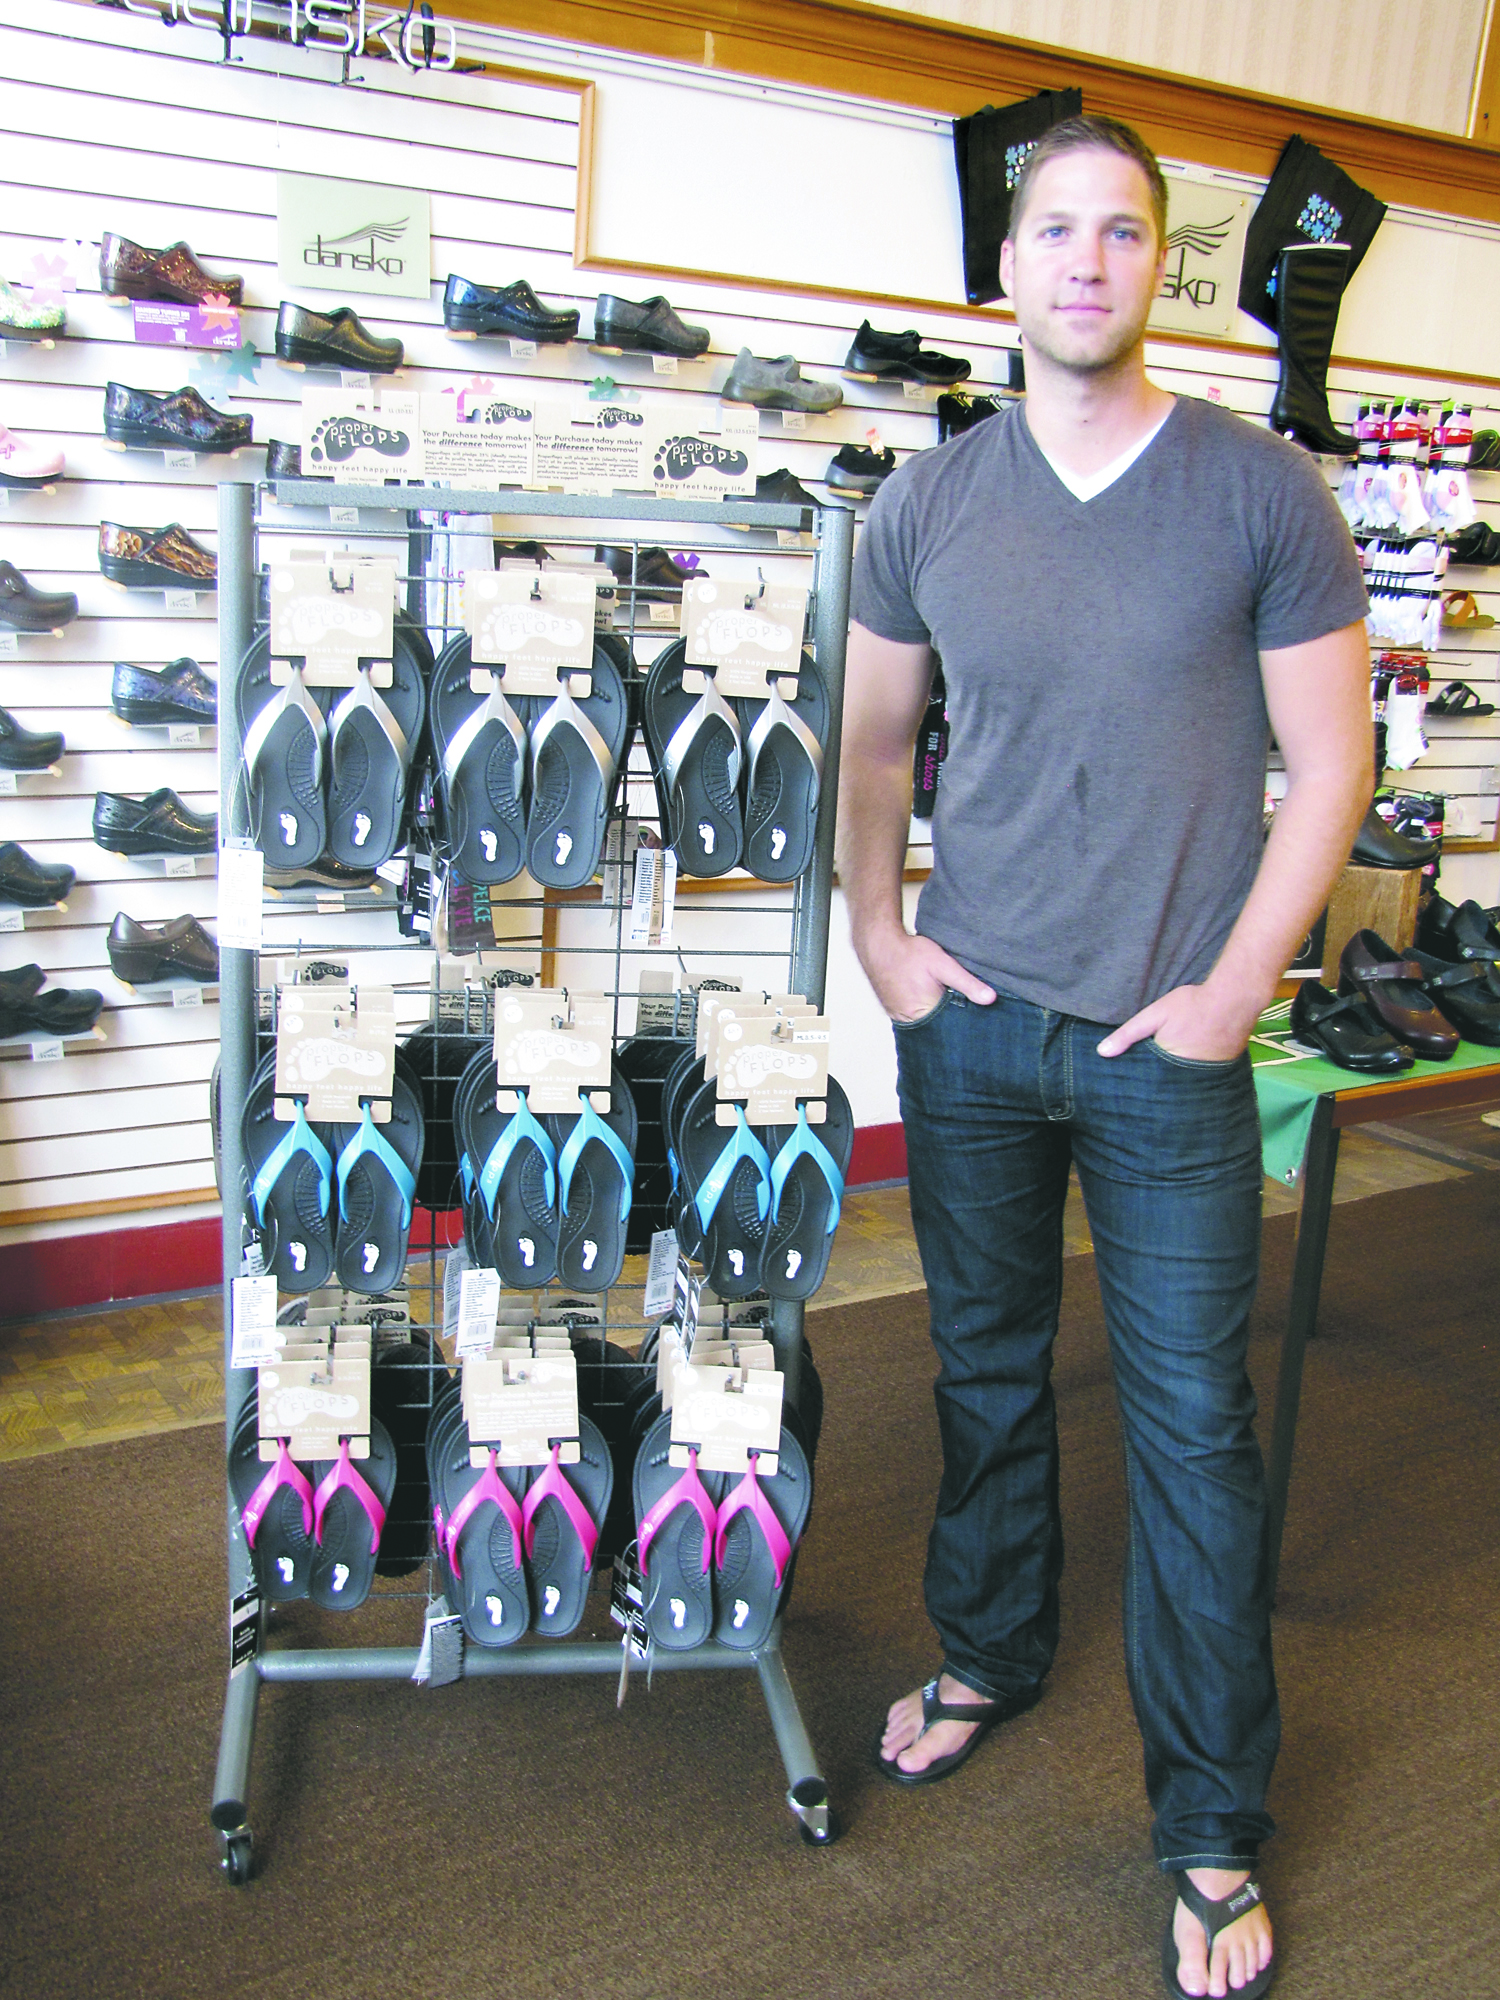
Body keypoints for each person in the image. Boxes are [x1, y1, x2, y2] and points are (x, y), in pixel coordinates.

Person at [837, 115, 1372, 2000]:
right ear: (1011, 264)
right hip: (973, 1029)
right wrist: (882, 939)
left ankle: (1211, 1819)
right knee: (984, 1370)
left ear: (1163, 267)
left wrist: (1236, 992)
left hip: (1169, 1049)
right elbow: (880, 750)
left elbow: (1335, 769)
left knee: (1192, 1426)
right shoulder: (929, 503)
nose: (1085, 260)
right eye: (1053, 229)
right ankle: (991, 1645)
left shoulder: (1260, 493)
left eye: (1121, 232)